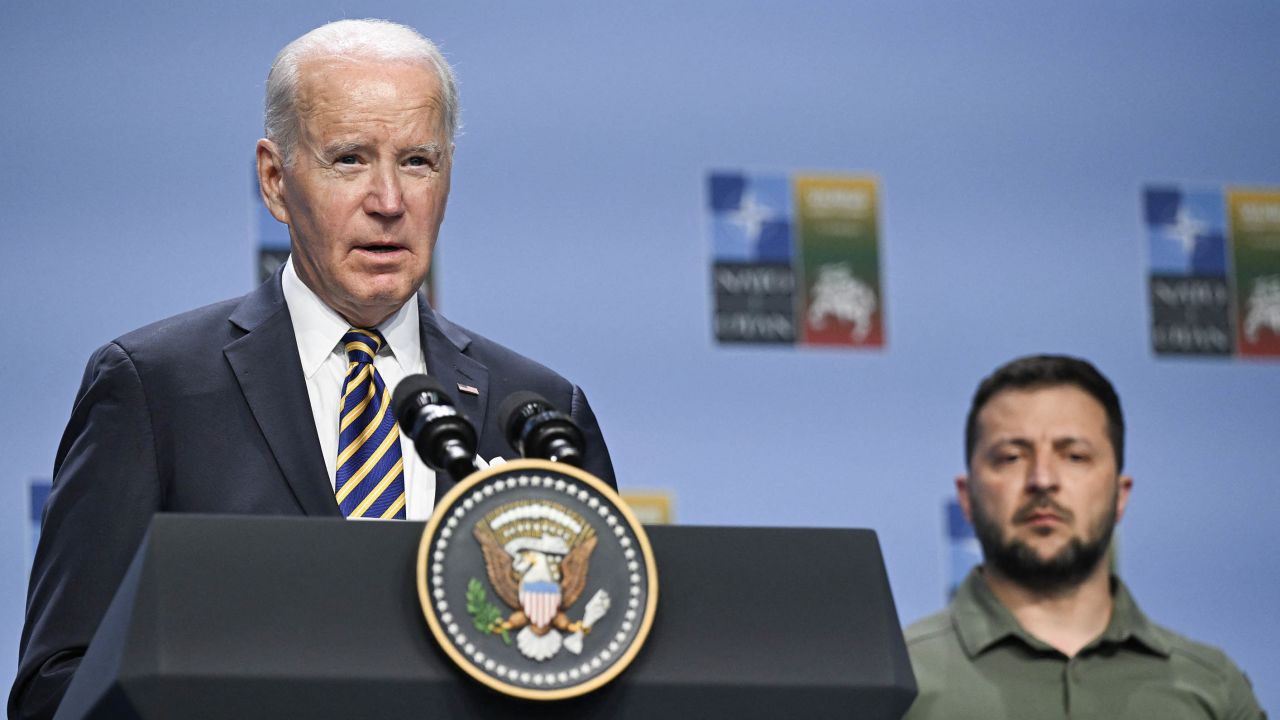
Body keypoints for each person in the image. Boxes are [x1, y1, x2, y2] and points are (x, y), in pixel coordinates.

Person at [11, 19, 615, 720]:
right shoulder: (155, 389)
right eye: (350, 159)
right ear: (275, 180)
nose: (389, 201)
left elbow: (605, 661)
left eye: (418, 161)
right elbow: (57, 685)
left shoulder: (537, 408)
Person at [903, 354, 1264, 720]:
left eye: (1075, 456)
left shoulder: (1214, 688)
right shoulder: (896, 681)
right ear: (967, 498)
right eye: (1012, 457)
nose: (1042, 479)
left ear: (1120, 494)